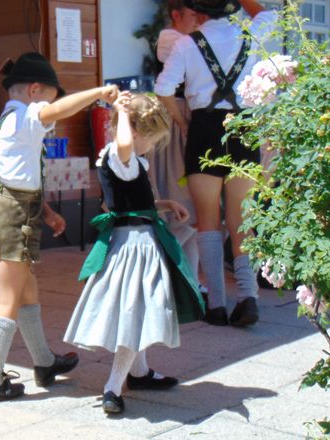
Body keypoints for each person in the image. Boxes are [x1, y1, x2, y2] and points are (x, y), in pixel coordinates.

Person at [0, 52, 118, 403]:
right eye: (48, 100)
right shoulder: (25, 115)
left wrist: (48, 212)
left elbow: (12, 178)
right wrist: (98, 92)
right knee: (9, 297)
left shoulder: (4, 121)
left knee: (27, 289)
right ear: (35, 90)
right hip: (12, 218)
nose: (50, 110)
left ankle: (44, 362)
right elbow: (55, 111)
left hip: (0, 212)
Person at [64, 92, 204, 415]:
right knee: (135, 313)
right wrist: (123, 113)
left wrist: (164, 205)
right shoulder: (119, 154)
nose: (152, 147)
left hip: (137, 241)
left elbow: (129, 201)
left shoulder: (127, 162)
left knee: (138, 309)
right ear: (136, 132)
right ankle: (113, 387)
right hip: (133, 247)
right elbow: (125, 144)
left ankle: (139, 372)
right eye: (151, 139)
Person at [155, 0, 277, 326]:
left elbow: (163, 88)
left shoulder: (186, 43)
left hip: (204, 128)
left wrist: (182, 121)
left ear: (198, 13)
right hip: (244, 127)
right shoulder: (252, 33)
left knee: (208, 218)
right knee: (242, 220)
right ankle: (248, 297)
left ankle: (217, 304)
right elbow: (268, 13)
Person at [147, 0, 202, 290]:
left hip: (184, 119)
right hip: (173, 122)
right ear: (176, 15)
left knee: (192, 211)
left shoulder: (188, 41)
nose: (198, 20)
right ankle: (158, 268)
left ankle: (188, 284)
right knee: (182, 200)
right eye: (193, 15)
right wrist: (183, 123)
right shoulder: (171, 39)